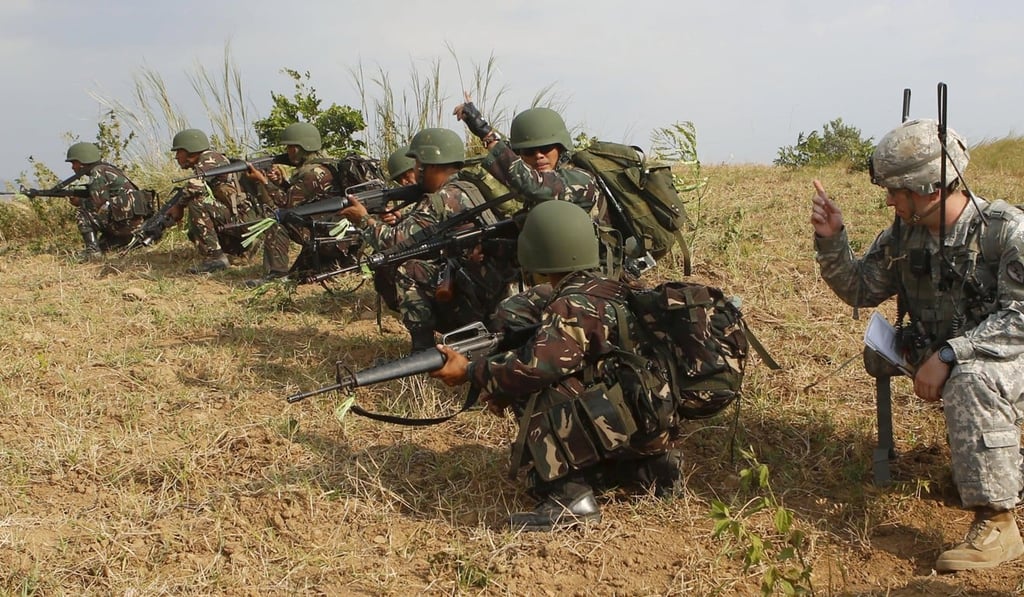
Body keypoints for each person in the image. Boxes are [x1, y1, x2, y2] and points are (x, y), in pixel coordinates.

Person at [810, 117, 1024, 571]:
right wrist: (832, 241)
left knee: (970, 378)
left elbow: (1019, 319)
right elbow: (861, 288)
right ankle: (981, 465)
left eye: (896, 190)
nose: (889, 200)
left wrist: (950, 354)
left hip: (1006, 356)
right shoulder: (903, 236)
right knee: (944, 368)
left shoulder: (1004, 231)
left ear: (930, 188)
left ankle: (998, 524)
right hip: (950, 354)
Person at [430, 200, 682, 531]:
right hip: (652, 425)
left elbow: (533, 368)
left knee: (536, 386)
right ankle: (651, 468)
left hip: (629, 425)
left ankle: (569, 498)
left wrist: (471, 371)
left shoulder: (572, 305)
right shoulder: (613, 286)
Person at [339, 128, 516, 352]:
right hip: (498, 294)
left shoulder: (440, 199)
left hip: (473, 298)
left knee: (407, 269)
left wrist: (363, 220)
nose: (414, 170)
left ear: (428, 165)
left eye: (416, 163)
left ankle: (422, 349)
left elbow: (392, 242)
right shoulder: (471, 188)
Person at [454, 99, 621, 276]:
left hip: (592, 279)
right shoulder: (540, 191)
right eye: (529, 151)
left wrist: (486, 133)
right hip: (558, 276)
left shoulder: (579, 180)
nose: (539, 156)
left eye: (546, 148)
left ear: (560, 148)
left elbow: (532, 184)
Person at [168, 128, 265, 274]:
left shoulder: (209, 159)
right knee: (194, 227)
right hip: (244, 221)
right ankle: (236, 252)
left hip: (244, 220)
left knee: (197, 203)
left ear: (190, 149)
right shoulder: (213, 159)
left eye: (179, 152)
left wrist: (179, 206)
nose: (176, 157)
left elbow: (195, 186)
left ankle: (215, 258)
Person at [64, 141, 153, 261]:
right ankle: (120, 241)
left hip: (126, 224)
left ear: (82, 162)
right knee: (104, 245)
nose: (72, 167)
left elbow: (98, 205)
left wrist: (80, 202)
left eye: (74, 163)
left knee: (83, 212)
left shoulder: (97, 172)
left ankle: (92, 252)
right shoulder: (107, 169)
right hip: (135, 224)